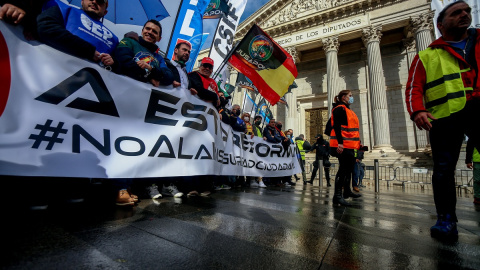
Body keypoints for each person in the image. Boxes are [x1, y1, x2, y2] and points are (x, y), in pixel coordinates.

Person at [405, 1, 480, 239]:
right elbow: (413, 88)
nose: (464, 15)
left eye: (467, 11)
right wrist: (418, 111)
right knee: (443, 170)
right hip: (445, 115)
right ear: (440, 23)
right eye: (456, 12)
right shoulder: (426, 56)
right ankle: (446, 218)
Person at [37, 0, 118, 70]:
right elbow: (46, 28)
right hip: (51, 68)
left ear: (105, 12)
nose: (94, 2)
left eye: (100, 1)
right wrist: (89, 50)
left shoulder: (114, 39)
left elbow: (122, 66)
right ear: (82, 1)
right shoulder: (63, 9)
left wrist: (113, 63)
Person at [115, 19, 173, 86]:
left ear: (159, 38)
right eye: (147, 29)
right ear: (142, 31)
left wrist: (151, 69)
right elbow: (122, 60)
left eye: (154, 31)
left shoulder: (159, 57)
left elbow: (169, 77)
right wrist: (149, 76)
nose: (150, 32)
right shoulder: (129, 41)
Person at [329, 90, 362, 206]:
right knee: (343, 170)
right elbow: (337, 126)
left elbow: (352, 130)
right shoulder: (339, 108)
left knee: (349, 169)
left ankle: (347, 191)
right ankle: (337, 196)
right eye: (350, 96)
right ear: (344, 97)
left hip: (350, 145)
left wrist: (358, 144)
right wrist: (340, 143)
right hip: (342, 145)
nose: (351, 98)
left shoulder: (348, 110)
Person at [465, 138, 480, 206]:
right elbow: (469, 148)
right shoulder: (473, 136)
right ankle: (477, 197)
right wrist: (468, 161)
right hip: (477, 160)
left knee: (477, 180)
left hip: (477, 160)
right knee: (477, 180)